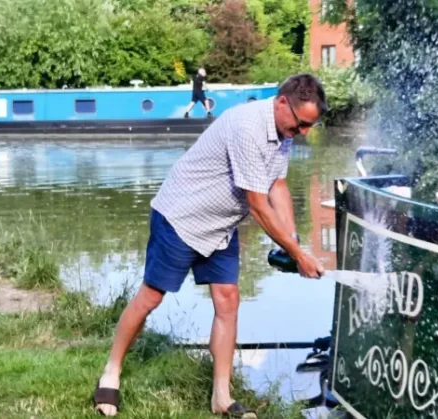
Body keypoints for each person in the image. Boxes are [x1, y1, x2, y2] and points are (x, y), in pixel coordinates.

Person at [92, 73, 328, 418]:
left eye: (308, 126)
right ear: (282, 103)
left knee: (228, 299)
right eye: (300, 124)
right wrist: (299, 256)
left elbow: (277, 185)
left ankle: (222, 397)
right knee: (151, 297)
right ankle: (111, 373)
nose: (303, 133)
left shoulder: (283, 133)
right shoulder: (247, 126)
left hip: (220, 225)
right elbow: (259, 205)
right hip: (181, 216)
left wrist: (292, 240)